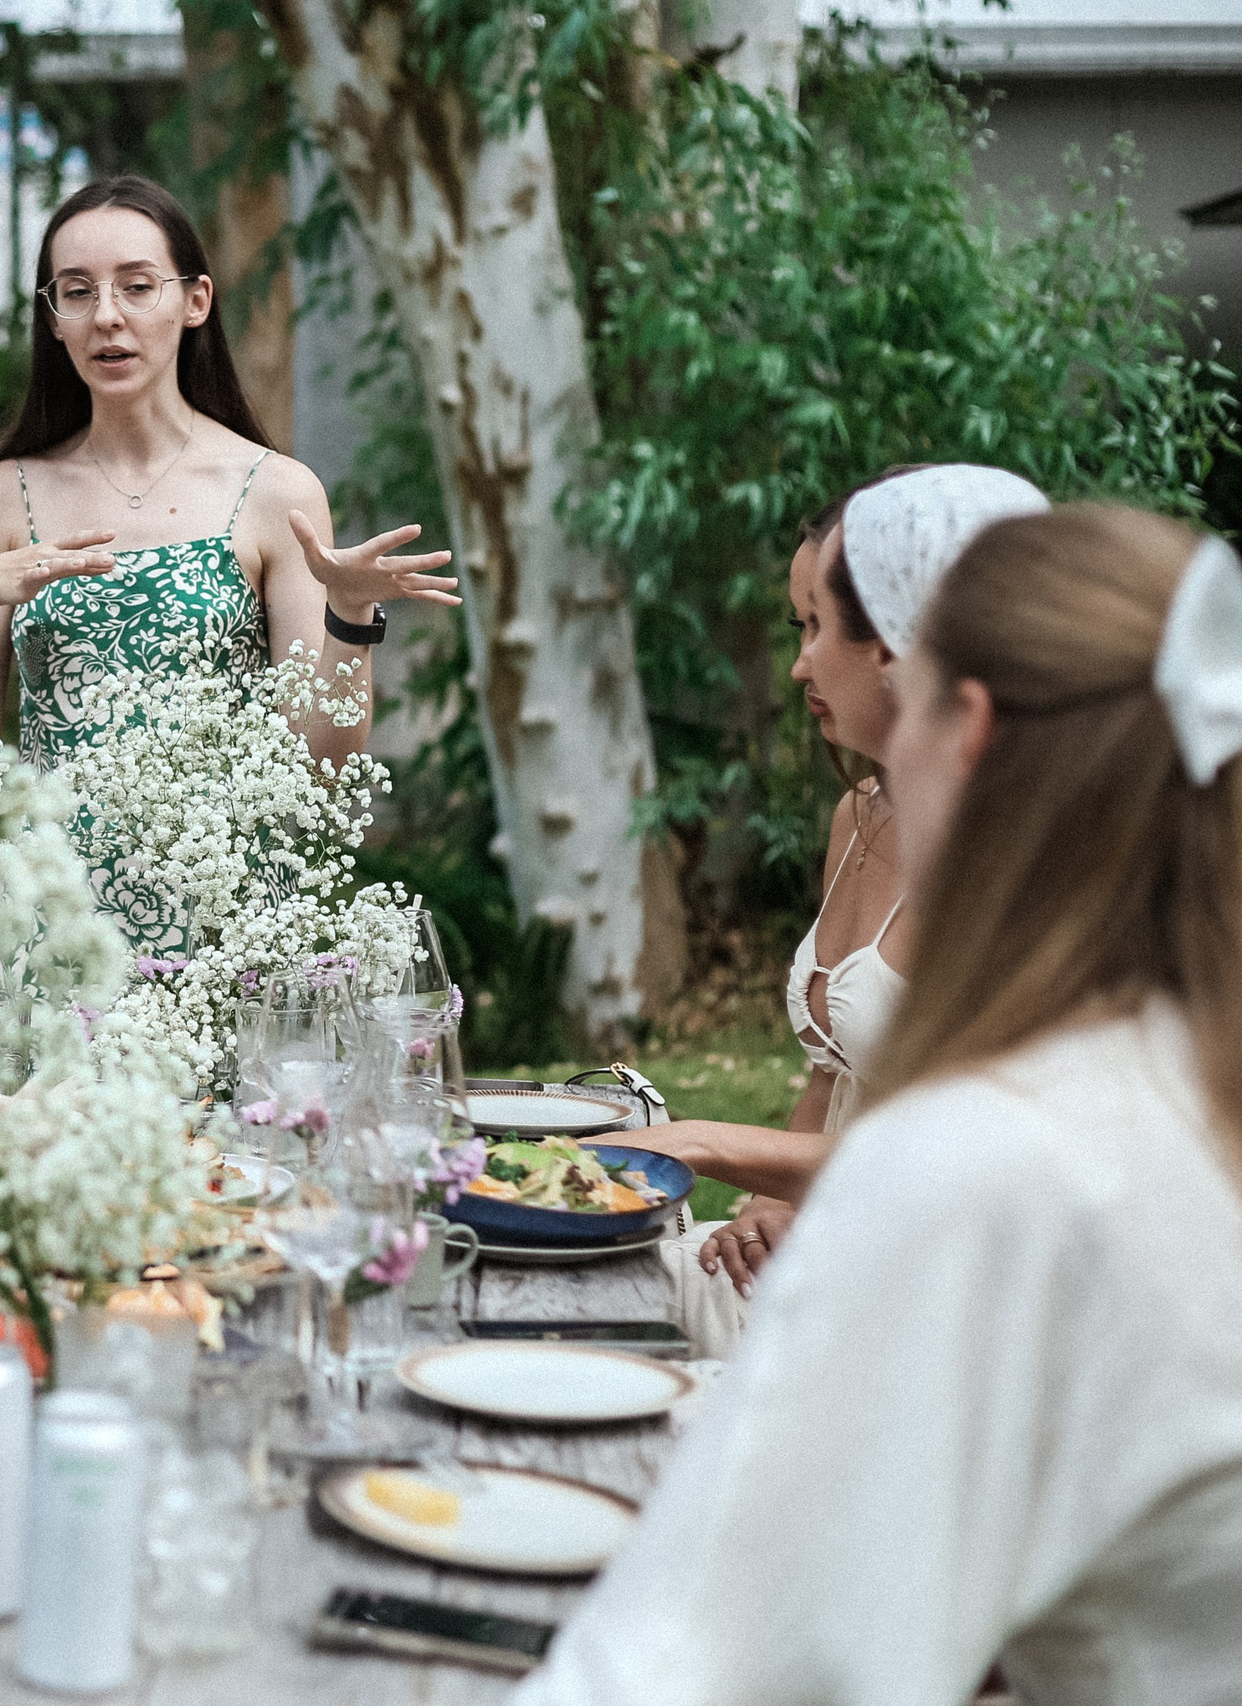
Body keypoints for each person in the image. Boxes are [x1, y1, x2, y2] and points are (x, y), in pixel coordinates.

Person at [517, 503, 1242, 1703]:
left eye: (910, 703)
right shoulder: (1175, 1072)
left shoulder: (994, 1159)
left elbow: (691, 1664)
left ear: (964, 731)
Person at [0, 174, 458, 949]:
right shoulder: (3, 497)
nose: (108, 316)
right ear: (54, 319)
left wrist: (352, 615)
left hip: (228, 931)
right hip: (52, 927)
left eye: (137, 287)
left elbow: (319, 772)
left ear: (194, 301)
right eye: (77, 292)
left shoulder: (275, 492)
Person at [649, 464, 1045, 1351]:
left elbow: (956, 1163)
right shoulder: (861, 813)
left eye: (817, 627)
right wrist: (763, 1206)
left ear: (903, 646)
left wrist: (705, 1145)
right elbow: (832, 1076)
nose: (798, 665)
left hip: (935, 1294)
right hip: (830, 1240)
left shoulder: (1023, 863)